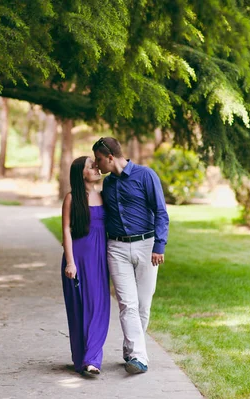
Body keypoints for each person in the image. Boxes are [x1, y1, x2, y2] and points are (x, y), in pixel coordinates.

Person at [92, 136, 169, 375]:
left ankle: (130, 348)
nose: (97, 165)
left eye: (98, 160)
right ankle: (139, 358)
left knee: (143, 305)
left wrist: (159, 245)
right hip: (117, 249)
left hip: (146, 246)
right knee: (128, 304)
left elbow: (160, 212)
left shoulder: (146, 176)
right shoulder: (108, 184)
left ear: (111, 158)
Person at [61, 156, 111, 376]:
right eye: (91, 166)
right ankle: (83, 357)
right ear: (81, 174)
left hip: (99, 259)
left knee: (99, 307)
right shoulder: (72, 198)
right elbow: (66, 231)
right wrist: (70, 262)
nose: (97, 168)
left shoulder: (103, 195)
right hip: (78, 259)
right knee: (79, 309)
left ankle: (92, 359)